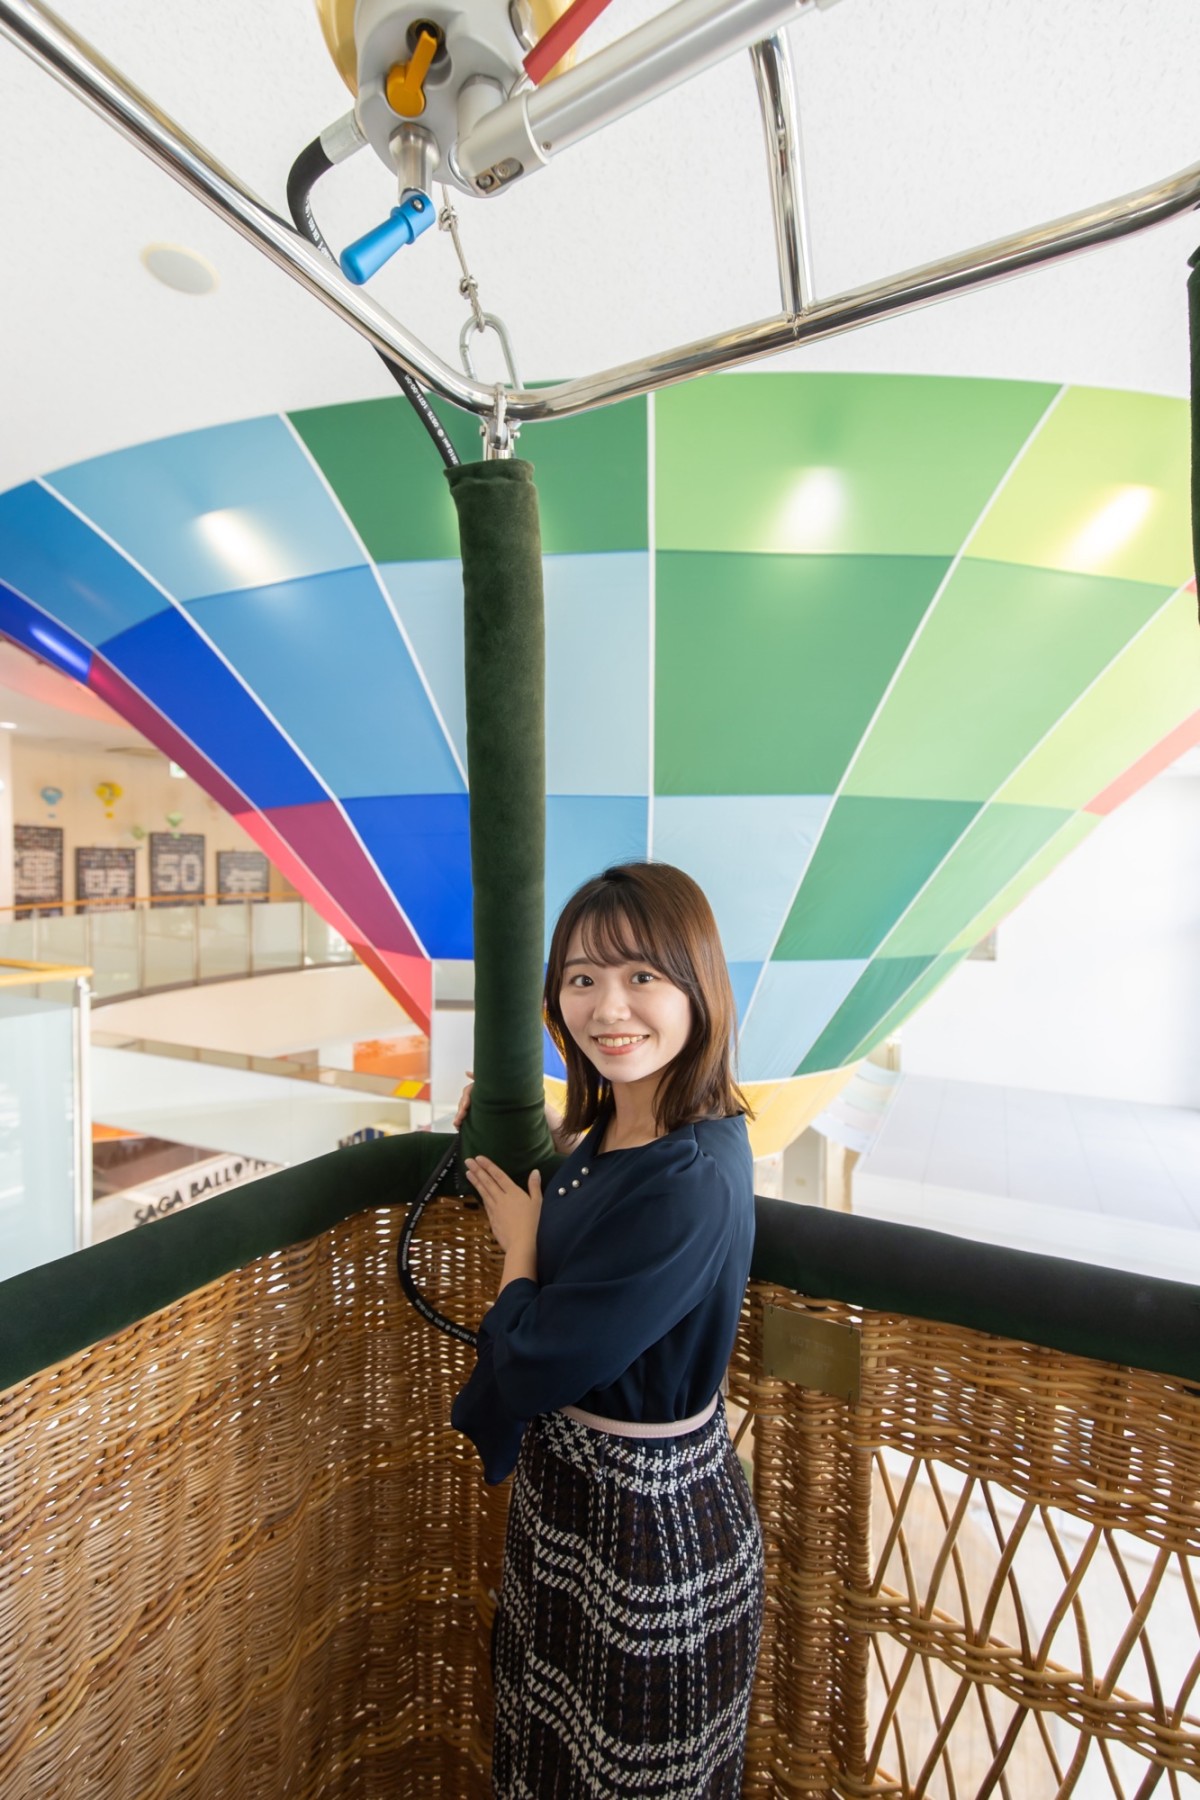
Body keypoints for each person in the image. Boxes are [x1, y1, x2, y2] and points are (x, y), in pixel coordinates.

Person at [451, 861, 764, 1799]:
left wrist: (520, 1245)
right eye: (583, 978)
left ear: (698, 989)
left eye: (642, 976)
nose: (608, 1007)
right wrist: (534, 1129)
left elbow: (536, 1364)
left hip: (649, 1529)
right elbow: (607, 1202)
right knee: (546, 1761)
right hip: (576, 1502)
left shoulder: (690, 1177)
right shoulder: (621, 1134)